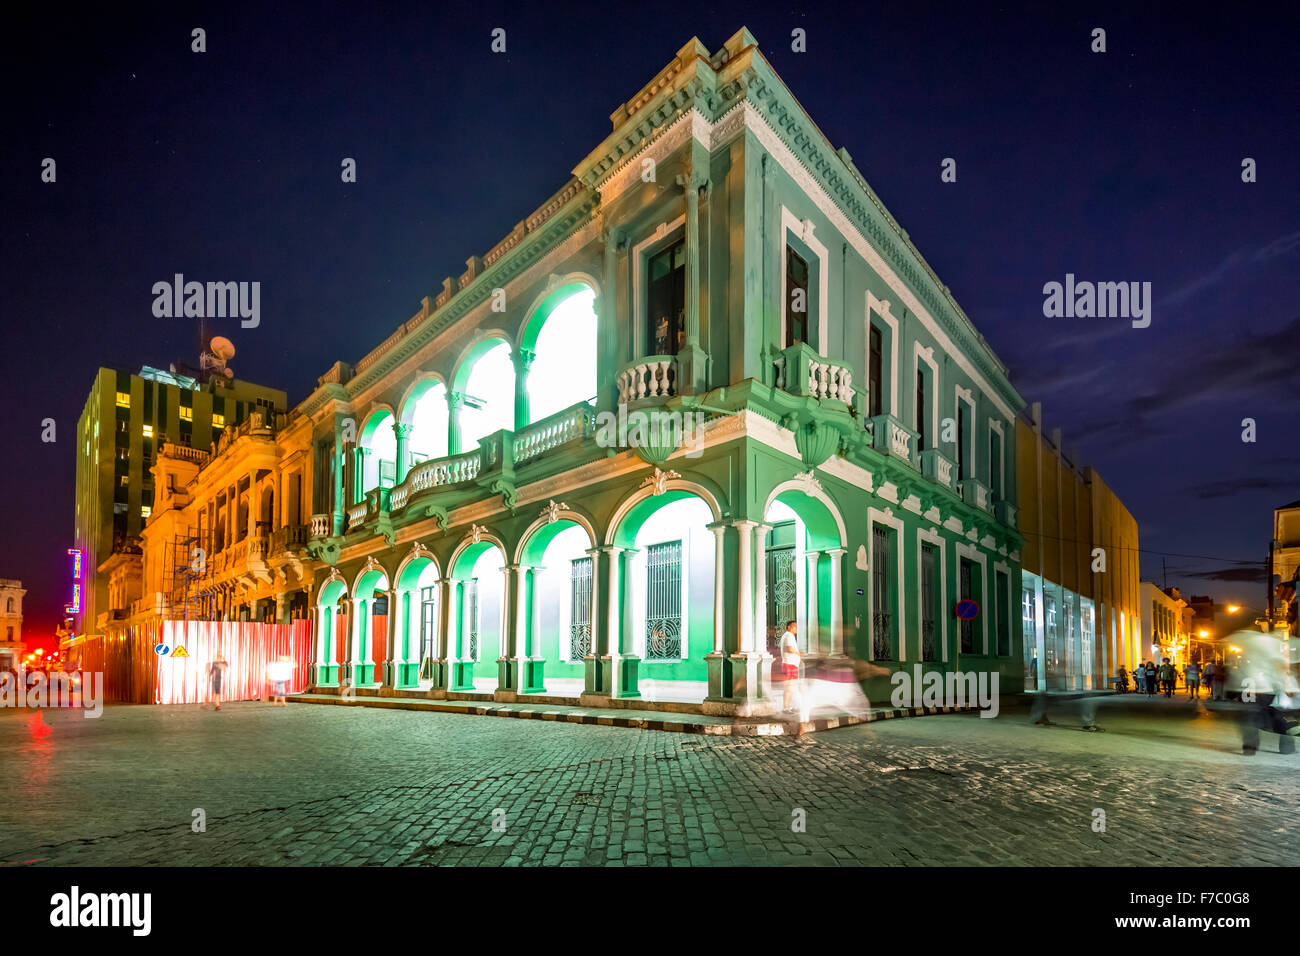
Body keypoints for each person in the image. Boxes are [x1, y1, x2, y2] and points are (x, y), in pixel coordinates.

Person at [780, 620, 801, 715]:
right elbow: (789, 648)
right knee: (789, 687)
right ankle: (786, 707)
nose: (796, 628)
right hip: (790, 664)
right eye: (794, 626)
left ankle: (789, 706)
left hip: (791, 664)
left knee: (791, 687)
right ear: (789, 627)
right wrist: (799, 653)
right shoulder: (788, 635)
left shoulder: (789, 636)